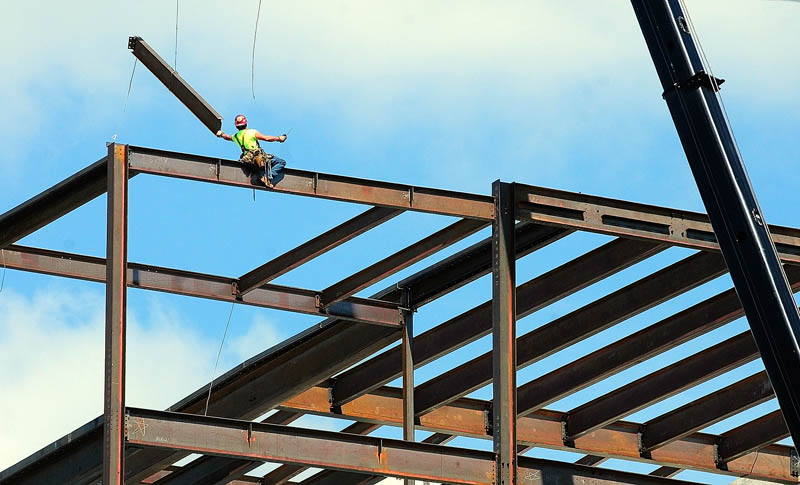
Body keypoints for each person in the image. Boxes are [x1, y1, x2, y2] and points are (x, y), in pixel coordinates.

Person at [216, 114, 287, 187]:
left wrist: (222, 134)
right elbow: (266, 138)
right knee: (281, 162)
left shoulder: (236, 136)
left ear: (236, 126)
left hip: (247, 161)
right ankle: (268, 177)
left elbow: (228, 137)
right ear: (246, 123)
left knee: (259, 167)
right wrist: (279, 138)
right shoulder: (252, 132)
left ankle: (261, 176)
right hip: (257, 158)